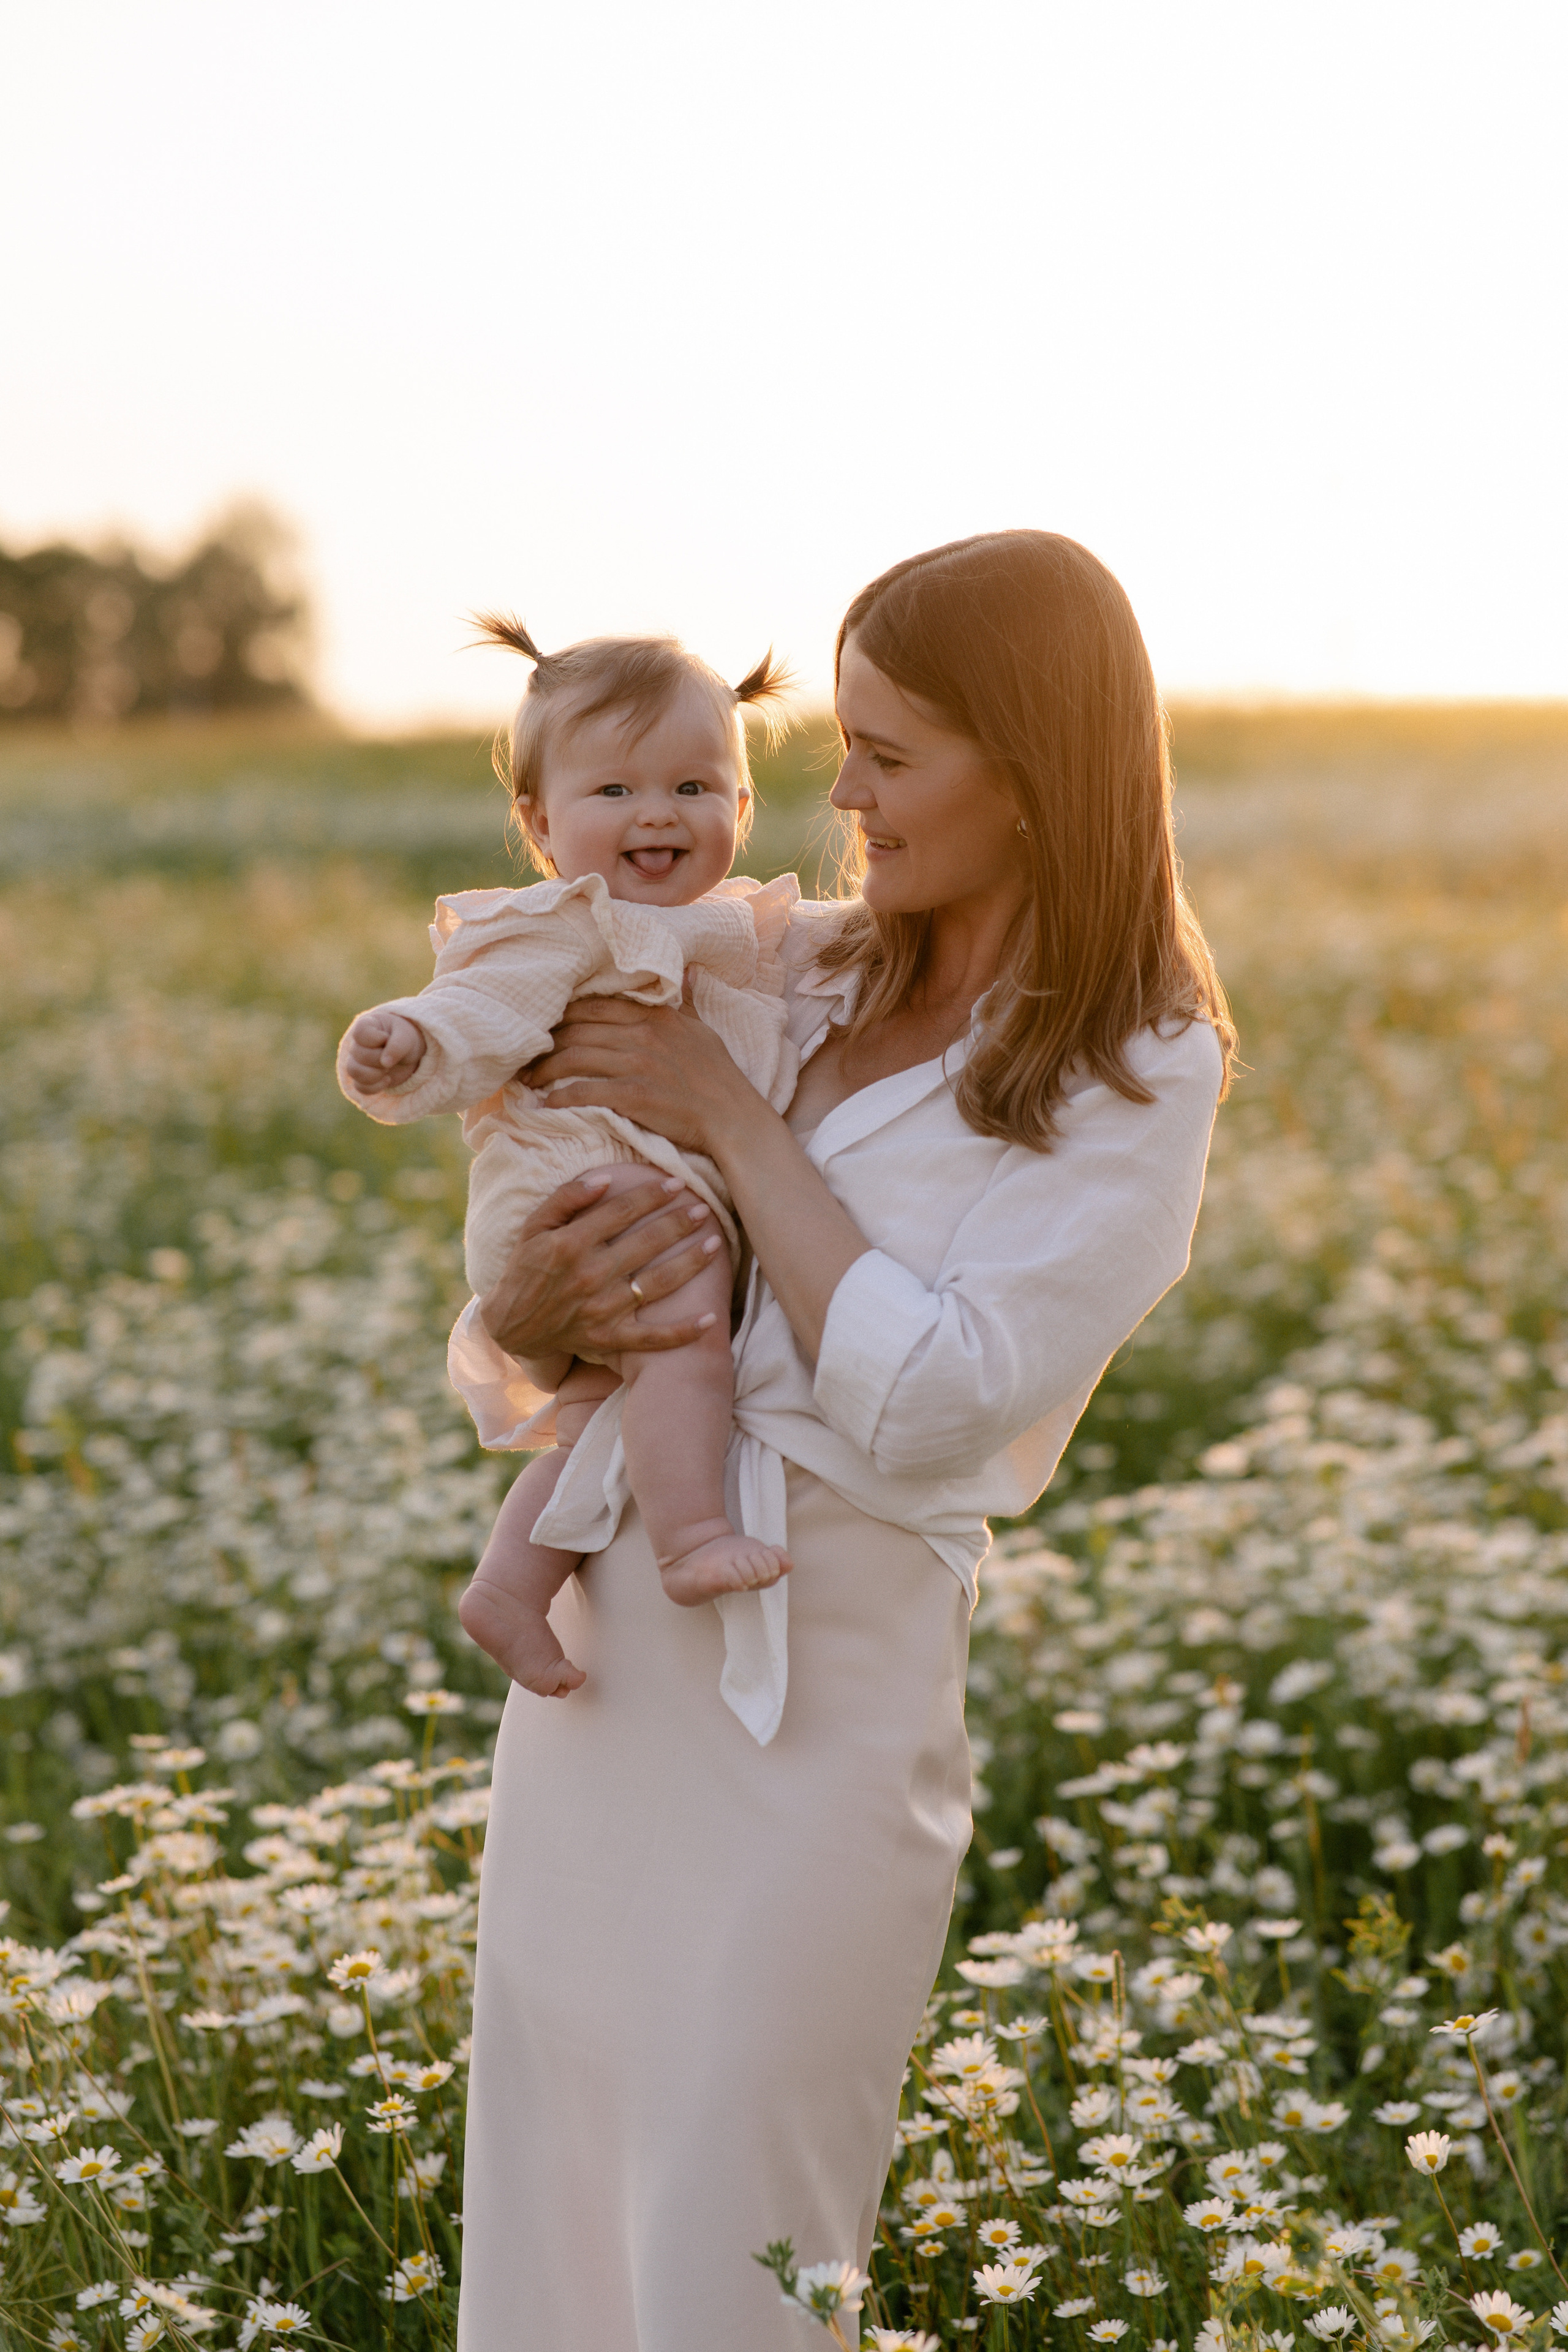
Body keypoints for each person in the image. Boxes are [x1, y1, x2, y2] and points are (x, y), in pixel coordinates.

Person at [451, 532, 1236, 2350]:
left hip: (821, 1690)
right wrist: (532, 1313)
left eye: (894, 751)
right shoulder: (795, 967)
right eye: (847, 741)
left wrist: (730, 1122)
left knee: (743, 2235)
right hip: (603, 1664)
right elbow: (542, 1303)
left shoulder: (1137, 1059)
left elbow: (939, 1400)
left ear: (1034, 768)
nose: (844, 792)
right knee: (557, 2203)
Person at [336, 625, 799, 1698]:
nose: (656, 813)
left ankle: (510, 1586)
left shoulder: (721, 929)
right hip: (575, 1199)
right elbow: (476, 1005)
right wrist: (411, 1039)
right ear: (540, 825)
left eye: (694, 784)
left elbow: (815, 958)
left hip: (603, 1199)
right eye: (614, 790)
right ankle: (689, 1540)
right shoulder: (563, 923)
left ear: (741, 808)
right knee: (687, 1329)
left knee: (599, 1423)